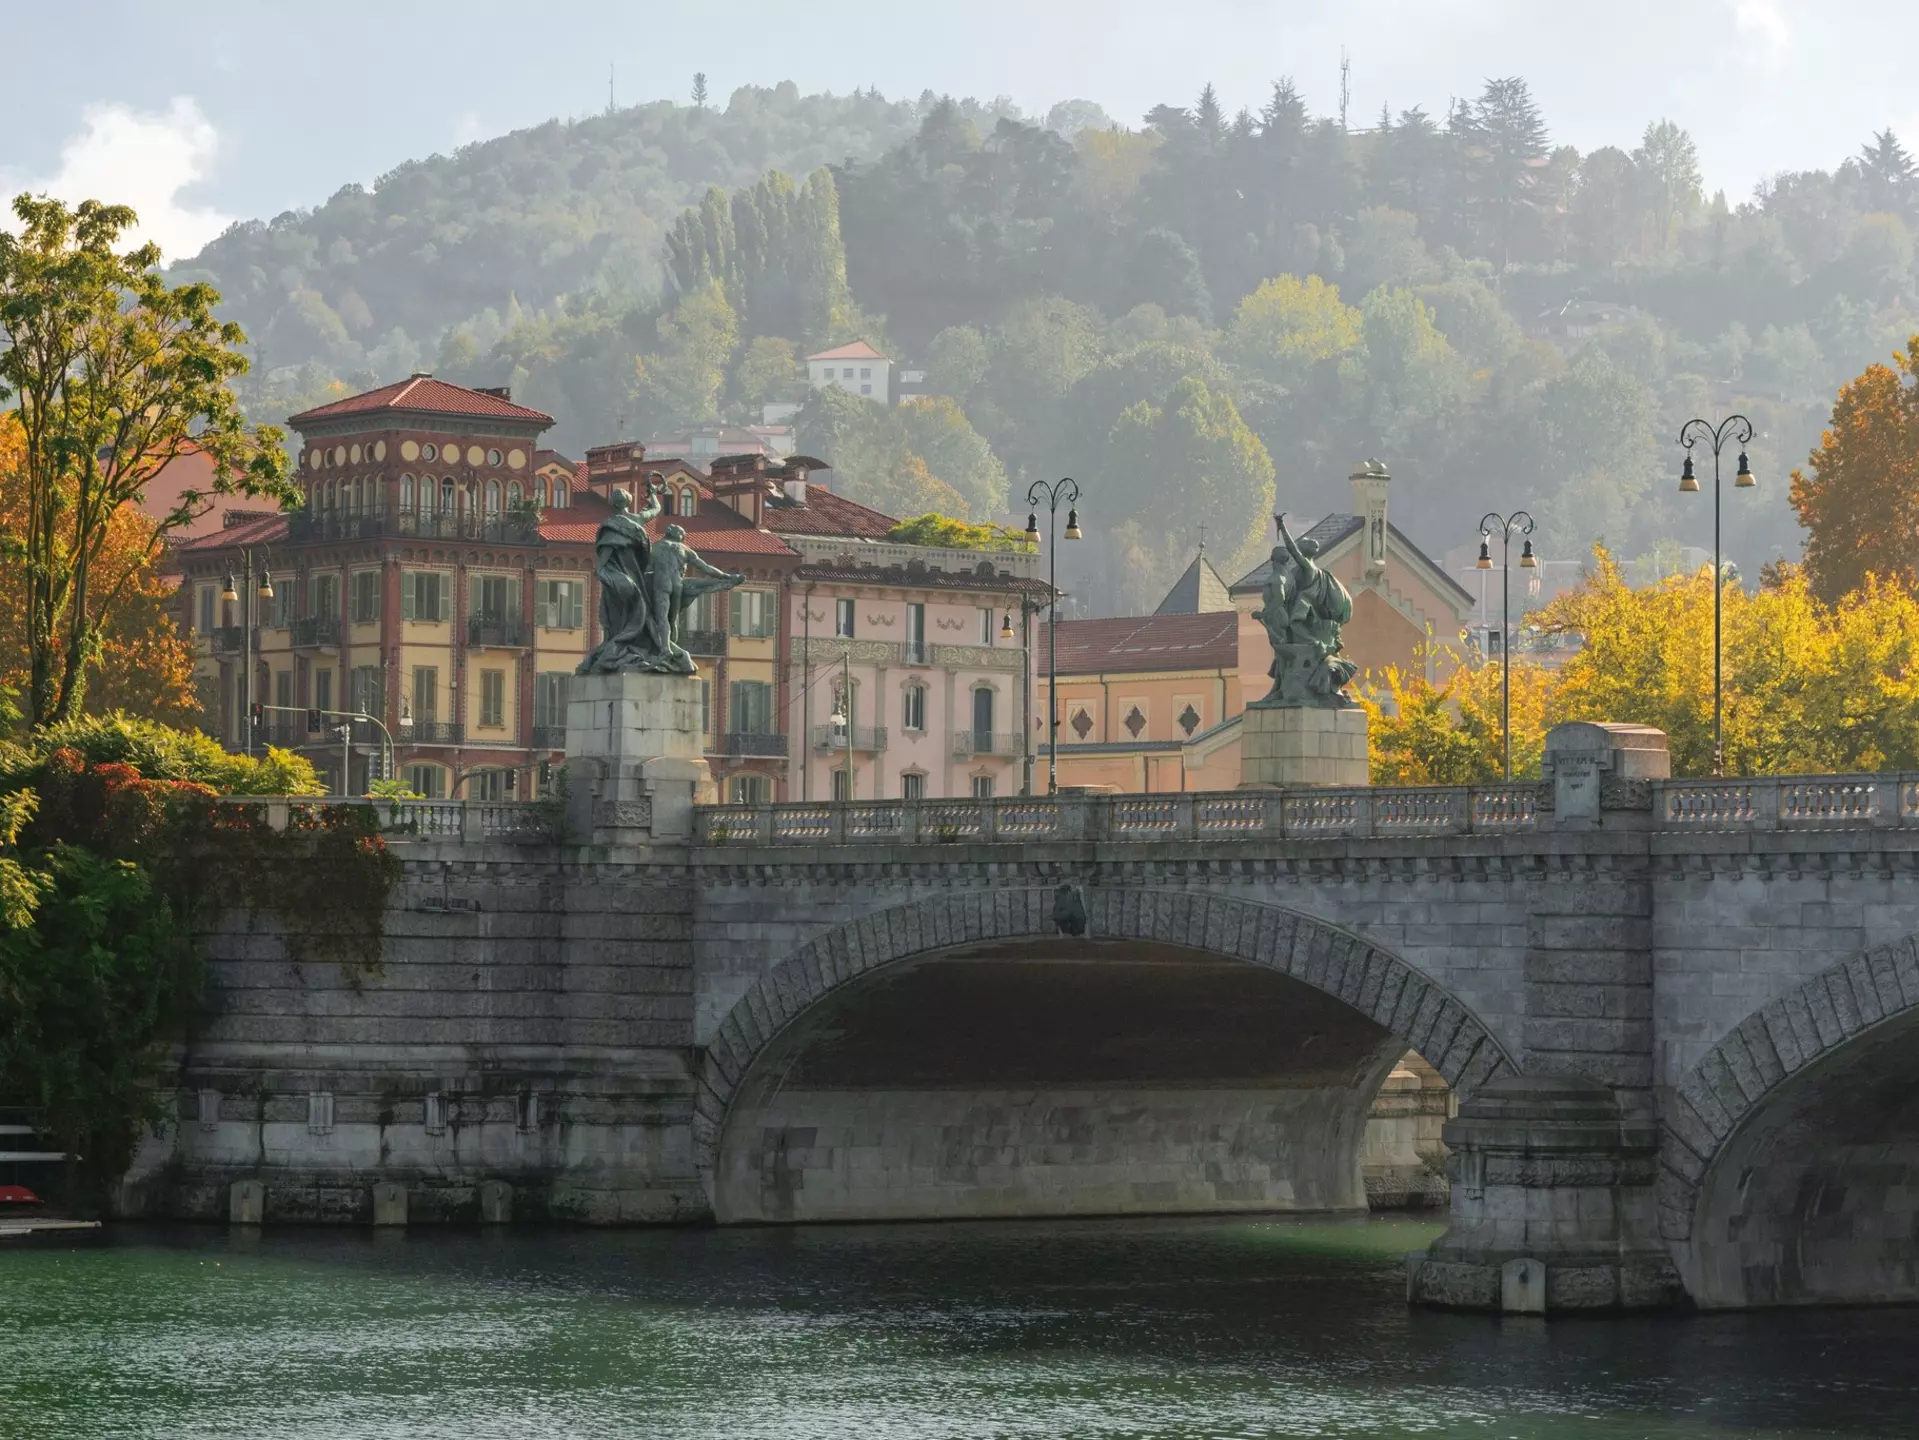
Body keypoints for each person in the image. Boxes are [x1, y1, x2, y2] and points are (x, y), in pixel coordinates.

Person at [577, 477, 665, 674]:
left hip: (618, 577)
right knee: (638, 610)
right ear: (628, 502)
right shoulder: (637, 520)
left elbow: (605, 556)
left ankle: (619, 645)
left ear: (613, 504)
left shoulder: (610, 526)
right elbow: (656, 509)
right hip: (634, 577)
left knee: (618, 615)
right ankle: (628, 646)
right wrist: (653, 494)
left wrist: (601, 572)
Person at [648, 523, 744, 663]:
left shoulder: (655, 547)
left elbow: (645, 568)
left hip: (661, 583)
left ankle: (666, 649)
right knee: (673, 619)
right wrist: (726, 576)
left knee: (662, 617)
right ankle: (671, 647)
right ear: (679, 536)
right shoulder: (684, 549)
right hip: (677, 584)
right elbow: (706, 568)